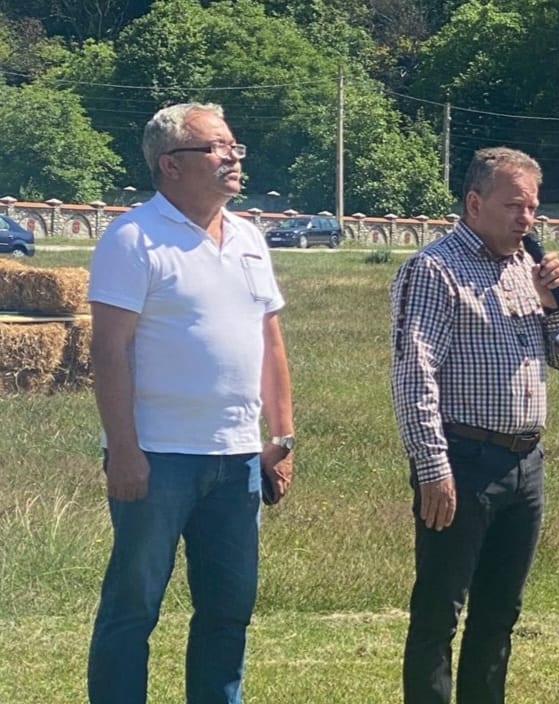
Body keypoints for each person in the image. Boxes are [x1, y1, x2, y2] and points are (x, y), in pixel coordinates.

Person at [86, 102, 295, 704]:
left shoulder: (249, 237)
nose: (233, 157)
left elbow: (269, 342)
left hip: (237, 459)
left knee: (229, 609)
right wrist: (124, 449)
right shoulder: (133, 237)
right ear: (170, 164)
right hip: (157, 457)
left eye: (234, 146)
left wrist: (281, 437)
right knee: (133, 607)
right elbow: (109, 352)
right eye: (216, 147)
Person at [390, 147, 559, 704]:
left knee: (500, 613)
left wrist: (556, 304)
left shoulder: (530, 269)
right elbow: (414, 374)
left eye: (533, 208)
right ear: (474, 204)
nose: (527, 219)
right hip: (462, 460)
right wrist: (432, 468)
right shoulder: (434, 270)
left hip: (526, 464)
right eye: (513, 206)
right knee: (439, 611)